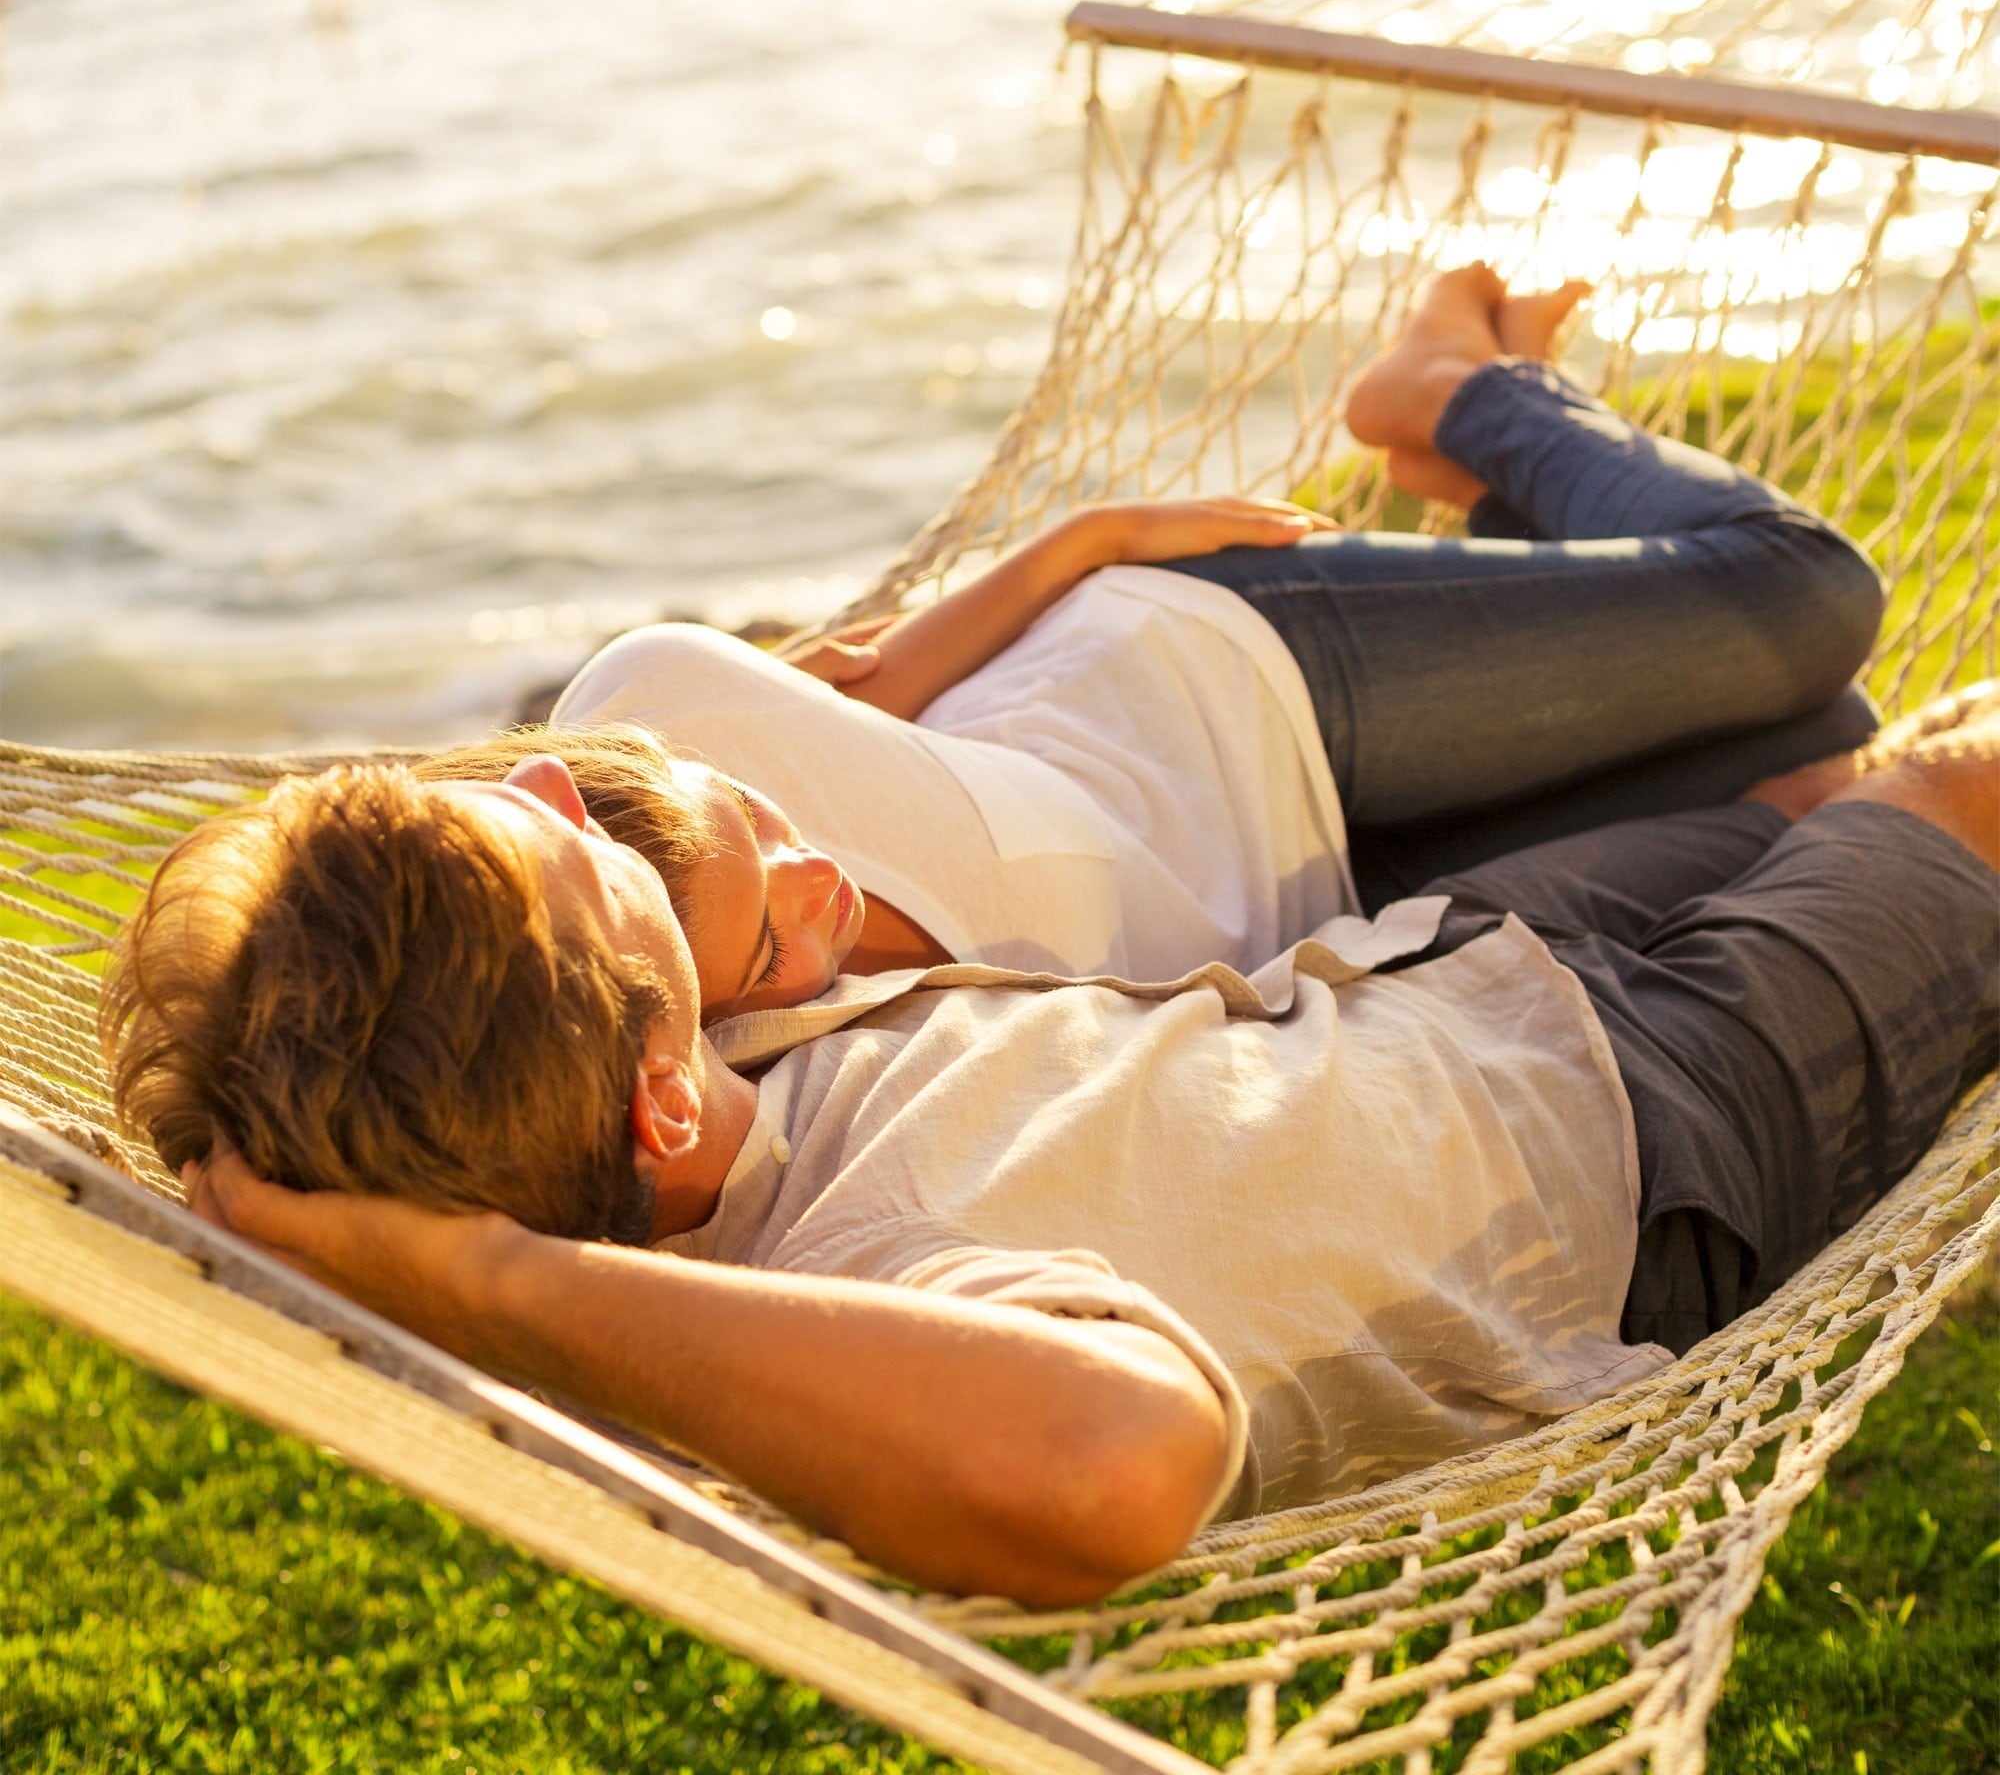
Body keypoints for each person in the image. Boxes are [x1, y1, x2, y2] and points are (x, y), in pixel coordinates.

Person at [115, 680, 1999, 1607]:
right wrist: (470, 1277)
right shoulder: (874, 1276)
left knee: (1799, 789)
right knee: (1952, 801)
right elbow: (1115, 1462)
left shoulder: (705, 1080)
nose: (549, 768)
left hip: (1437, 978)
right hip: (1634, 1165)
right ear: (657, 1103)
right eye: (563, 841)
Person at [418, 268, 1887, 1027]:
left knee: (1810, 601)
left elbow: (878, 674)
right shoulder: (763, 1087)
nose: (818, 877)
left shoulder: (655, 712)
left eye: (760, 831)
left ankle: (1457, 385)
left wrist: (1087, 538)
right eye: (768, 947)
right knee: (1823, 735)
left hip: (1236, 661)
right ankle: (1513, 522)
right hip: (1332, 881)